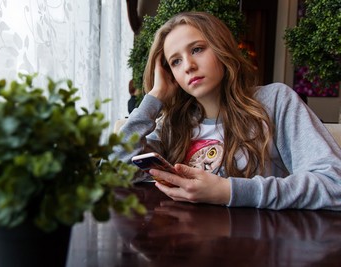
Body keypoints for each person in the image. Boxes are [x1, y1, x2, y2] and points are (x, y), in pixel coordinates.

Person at [114, 11, 341, 210]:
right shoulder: (172, 124)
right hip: (185, 249)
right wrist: (154, 97)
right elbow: (112, 174)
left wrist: (229, 191)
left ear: (222, 47)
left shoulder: (275, 102)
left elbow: (334, 184)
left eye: (197, 49)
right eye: (175, 62)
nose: (188, 66)